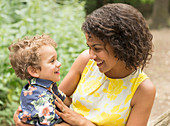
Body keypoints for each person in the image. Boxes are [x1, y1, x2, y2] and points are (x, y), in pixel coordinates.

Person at [14, 3, 156, 126]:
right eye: (89, 47)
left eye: (97, 48)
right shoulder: (86, 61)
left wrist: (83, 122)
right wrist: (28, 112)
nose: (91, 54)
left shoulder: (143, 90)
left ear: (121, 46)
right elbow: (58, 100)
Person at [9, 35, 71, 126]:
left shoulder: (47, 85)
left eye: (56, 59)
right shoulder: (41, 97)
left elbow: (64, 100)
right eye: (52, 61)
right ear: (34, 71)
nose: (59, 64)